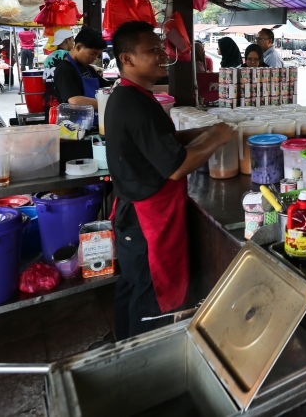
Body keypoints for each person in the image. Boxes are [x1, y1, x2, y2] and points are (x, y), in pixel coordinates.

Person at [105, 20, 236, 339]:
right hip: (148, 222)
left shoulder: (129, 96)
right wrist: (217, 137)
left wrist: (201, 131)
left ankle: (119, 351)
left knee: (132, 288)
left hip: (133, 215)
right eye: (152, 50)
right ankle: (141, 369)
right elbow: (176, 166)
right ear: (127, 59)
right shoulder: (136, 105)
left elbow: (162, 140)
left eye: (161, 47)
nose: (163, 54)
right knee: (150, 301)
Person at [52, 27, 109, 108]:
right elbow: (75, 101)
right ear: (79, 47)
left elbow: (106, 86)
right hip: (75, 120)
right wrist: (109, 104)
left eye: (98, 55)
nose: (95, 58)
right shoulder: (64, 69)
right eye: (93, 53)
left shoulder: (87, 68)